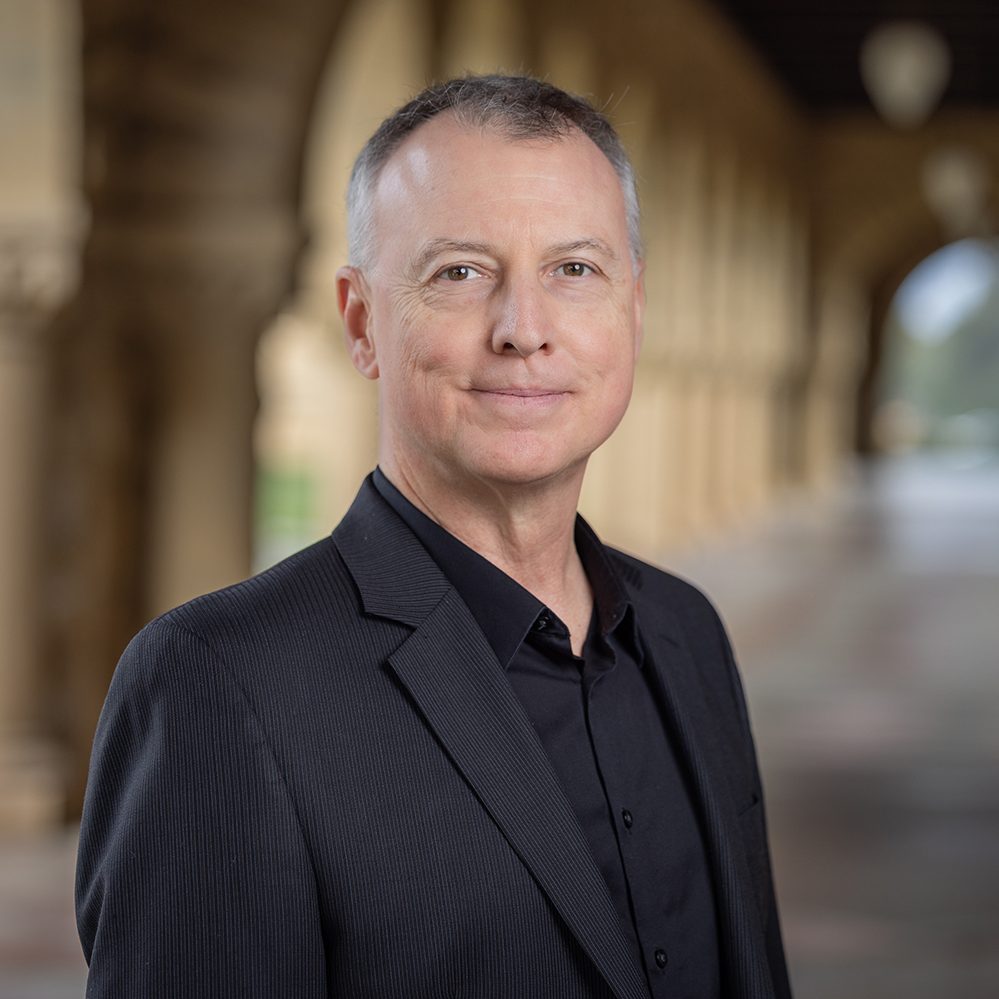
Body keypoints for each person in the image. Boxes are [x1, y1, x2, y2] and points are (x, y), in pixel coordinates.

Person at [76, 74, 792, 999]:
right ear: (362, 321)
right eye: (459, 272)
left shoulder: (688, 632)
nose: (523, 330)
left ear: (634, 309)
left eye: (574, 269)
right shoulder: (217, 684)